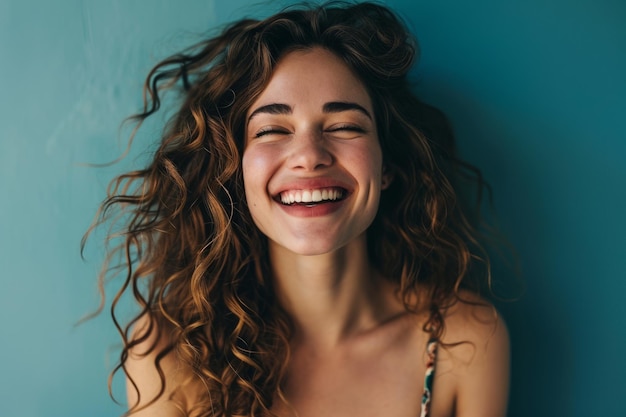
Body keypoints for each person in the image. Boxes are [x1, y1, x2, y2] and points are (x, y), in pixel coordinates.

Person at [89, 2, 509, 416]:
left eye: (345, 127)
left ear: (388, 166)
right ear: (235, 171)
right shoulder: (168, 352)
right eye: (272, 130)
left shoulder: (463, 340)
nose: (309, 156)